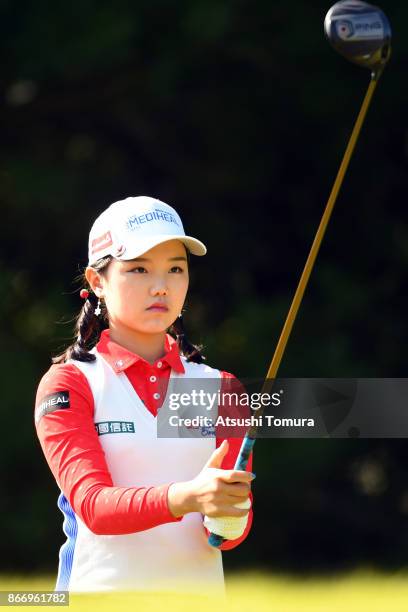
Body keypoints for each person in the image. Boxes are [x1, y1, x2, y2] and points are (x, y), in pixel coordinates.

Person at [34, 195, 254, 596]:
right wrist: (188, 496)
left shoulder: (220, 387)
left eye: (175, 269)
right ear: (97, 280)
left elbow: (229, 535)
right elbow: (95, 506)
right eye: (138, 269)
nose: (161, 286)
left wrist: (229, 516)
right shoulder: (70, 383)